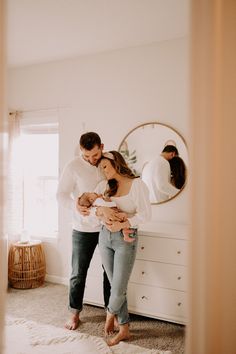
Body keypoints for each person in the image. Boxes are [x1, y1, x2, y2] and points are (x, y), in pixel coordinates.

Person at [94, 151, 151, 346]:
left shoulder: (137, 185)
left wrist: (123, 223)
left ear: (116, 163)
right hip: (104, 237)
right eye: (100, 168)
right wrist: (101, 212)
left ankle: (110, 314)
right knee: (113, 283)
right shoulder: (104, 186)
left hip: (126, 237)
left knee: (118, 288)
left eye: (105, 166)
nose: (103, 172)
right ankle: (124, 327)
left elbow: (145, 215)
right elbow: (94, 208)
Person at [56, 132, 111, 330]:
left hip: (107, 226)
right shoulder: (73, 167)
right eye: (86, 156)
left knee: (110, 273)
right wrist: (75, 206)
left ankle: (110, 314)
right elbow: (61, 194)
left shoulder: (109, 162)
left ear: (102, 146)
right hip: (82, 228)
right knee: (78, 272)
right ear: (81, 151)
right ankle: (74, 313)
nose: (91, 160)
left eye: (95, 156)